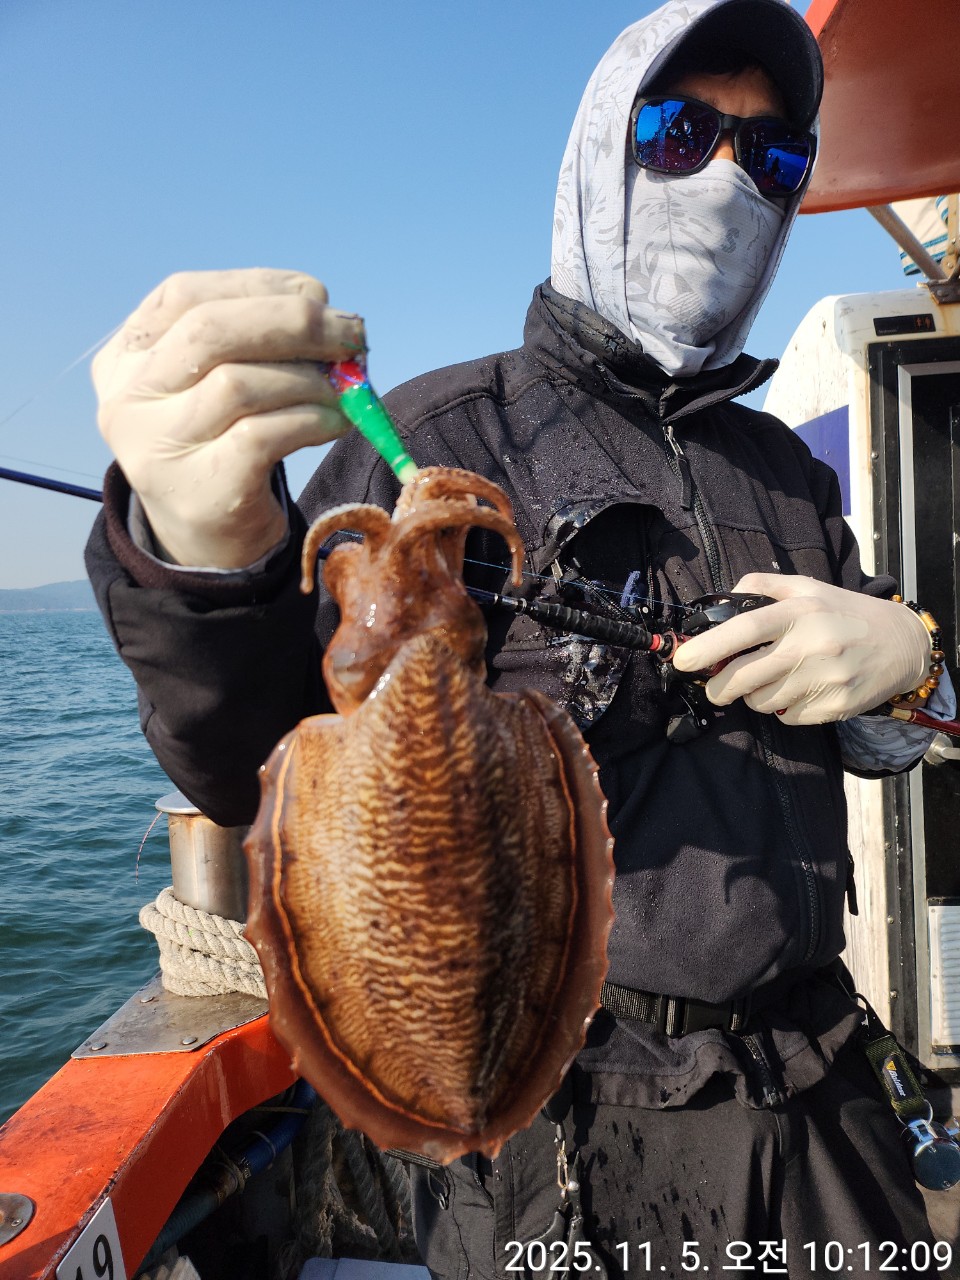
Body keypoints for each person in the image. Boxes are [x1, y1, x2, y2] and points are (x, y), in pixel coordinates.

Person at [85, 0, 957, 1275]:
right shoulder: (439, 435)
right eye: (680, 134)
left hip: (828, 1101)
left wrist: (915, 657)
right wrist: (201, 560)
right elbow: (258, 756)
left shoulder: (787, 469)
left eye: (772, 156)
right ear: (599, 156)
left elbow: (898, 723)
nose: (728, 180)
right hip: (569, 1137)